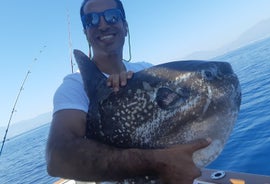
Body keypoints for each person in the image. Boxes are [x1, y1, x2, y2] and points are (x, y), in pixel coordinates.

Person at [46, 0, 211, 183]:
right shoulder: (73, 87)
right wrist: (160, 162)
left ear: (125, 26)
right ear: (86, 32)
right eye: (91, 19)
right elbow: (57, 159)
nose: (102, 24)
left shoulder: (146, 70)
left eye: (111, 16)